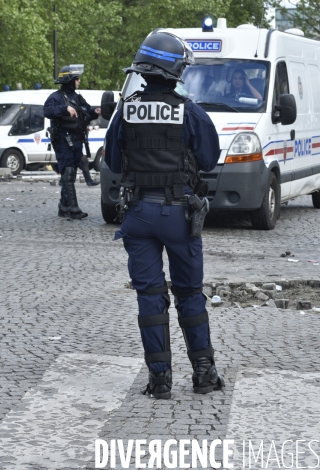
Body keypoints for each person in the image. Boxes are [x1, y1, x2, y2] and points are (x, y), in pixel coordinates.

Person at [105, 31, 224, 399]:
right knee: (189, 293)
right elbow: (208, 158)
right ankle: (203, 374)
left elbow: (111, 160)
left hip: (138, 215)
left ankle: (160, 380)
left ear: (142, 71)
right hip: (179, 215)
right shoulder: (189, 111)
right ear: (176, 72)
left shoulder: (126, 110)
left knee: (150, 296)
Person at [44, 65, 101, 219]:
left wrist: (95, 112)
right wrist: (64, 109)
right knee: (68, 173)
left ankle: (63, 207)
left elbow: (87, 111)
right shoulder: (56, 97)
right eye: (76, 79)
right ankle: (74, 208)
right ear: (69, 80)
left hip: (77, 141)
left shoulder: (78, 97)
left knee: (70, 175)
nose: (79, 81)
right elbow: (47, 111)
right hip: (63, 141)